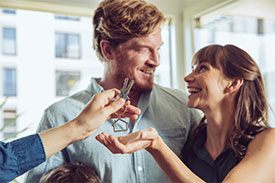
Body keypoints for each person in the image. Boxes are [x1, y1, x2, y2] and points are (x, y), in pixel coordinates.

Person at [25, 0, 201, 182]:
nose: (155, 61)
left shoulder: (184, 108)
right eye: (143, 50)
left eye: (158, 49)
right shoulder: (60, 117)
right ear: (108, 50)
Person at [96, 44, 275, 182]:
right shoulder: (193, 141)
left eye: (203, 68)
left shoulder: (268, 141)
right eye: (192, 69)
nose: (187, 78)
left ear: (233, 84)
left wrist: (156, 146)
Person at [0, 89, 139, 183]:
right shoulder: (57, 113)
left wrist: (79, 126)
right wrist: (79, 127)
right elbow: (5, 162)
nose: (154, 61)